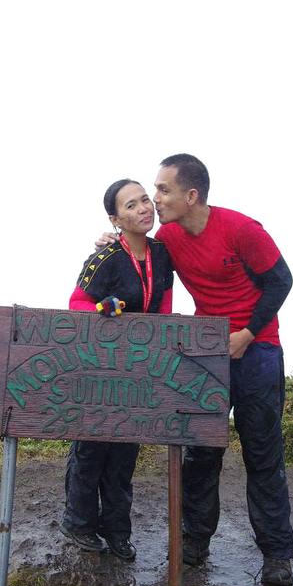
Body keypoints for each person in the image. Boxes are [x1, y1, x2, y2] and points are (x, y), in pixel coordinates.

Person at [97, 154, 293, 586]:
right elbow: (135, 253)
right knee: (201, 452)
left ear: (191, 195)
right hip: (207, 350)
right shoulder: (167, 237)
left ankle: (278, 555)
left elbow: (282, 280)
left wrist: (246, 333)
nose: (155, 199)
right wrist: (107, 242)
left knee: (262, 454)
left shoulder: (242, 229)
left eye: (163, 190)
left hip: (258, 347)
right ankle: (194, 543)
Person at [60, 179, 174, 561]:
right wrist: (103, 310)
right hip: (99, 369)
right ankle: (78, 523)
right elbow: (77, 303)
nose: (143, 208)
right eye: (131, 205)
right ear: (116, 218)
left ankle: (118, 532)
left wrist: (160, 338)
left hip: (138, 371)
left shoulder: (162, 253)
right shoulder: (104, 256)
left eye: (145, 200)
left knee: (125, 455)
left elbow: (164, 303)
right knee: (91, 450)